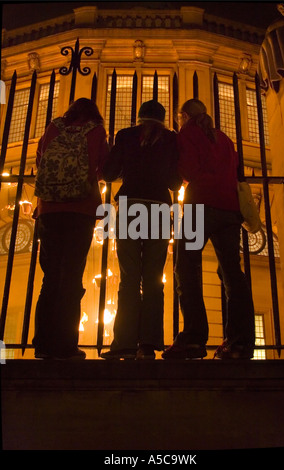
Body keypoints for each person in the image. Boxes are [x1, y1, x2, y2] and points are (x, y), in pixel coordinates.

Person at [162, 99, 255, 360]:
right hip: (229, 209)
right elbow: (236, 172)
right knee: (231, 272)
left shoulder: (188, 133)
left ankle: (193, 337)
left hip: (199, 205)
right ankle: (241, 341)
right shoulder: (224, 138)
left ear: (183, 116)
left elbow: (187, 169)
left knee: (186, 267)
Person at [101, 100, 182, 360]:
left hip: (130, 206)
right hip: (158, 208)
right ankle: (148, 344)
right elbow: (175, 181)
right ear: (163, 118)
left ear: (139, 117)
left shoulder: (125, 135)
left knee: (128, 277)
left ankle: (123, 343)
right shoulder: (171, 139)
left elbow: (110, 173)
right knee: (153, 279)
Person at [33, 98, 109, 360]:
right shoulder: (96, 131)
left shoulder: (54, 128)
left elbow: (40, 158)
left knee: (49, 278)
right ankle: (66, 345)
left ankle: (42, 343)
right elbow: (103, 167)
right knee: (72, 277)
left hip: (50, 209)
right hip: (81, 209)